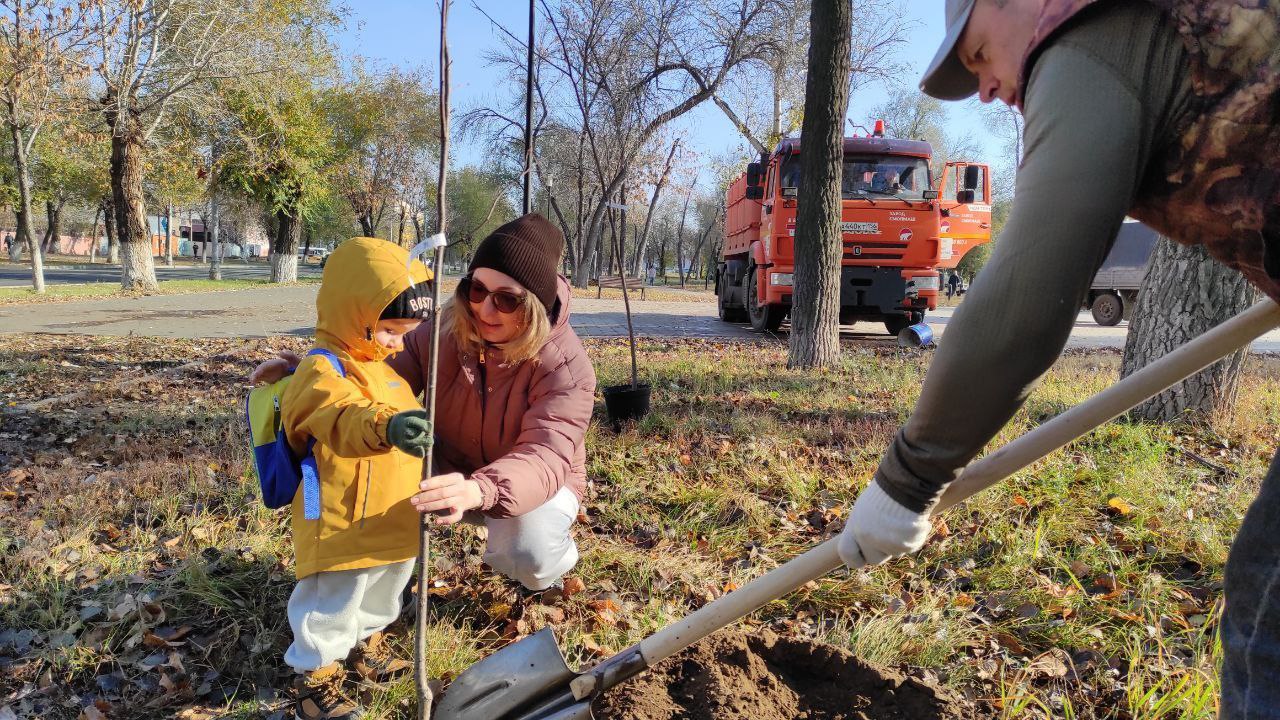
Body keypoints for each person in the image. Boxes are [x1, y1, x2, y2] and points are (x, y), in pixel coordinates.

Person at [834, 1, 1280, 716]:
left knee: (1269, 619)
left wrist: (908, 478)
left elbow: (1026, 294)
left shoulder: (1085, 41)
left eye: (978, 54)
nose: (983, 88)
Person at [252, 214, 596, 596]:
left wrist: (480, 490)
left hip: (531, 484)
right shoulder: (446, 328)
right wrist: (314, 373)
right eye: (476, 289)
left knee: (524, 548)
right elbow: (376, 375)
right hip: (445, 466)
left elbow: (545, 455)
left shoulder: (567, 367)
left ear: (534, 305)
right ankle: (362, 581)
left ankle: (547, 572)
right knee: (366, 446)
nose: (484, 310)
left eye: (506, 300)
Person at [276, 236, 434, 720]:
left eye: (406, 331)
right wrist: (387, 427)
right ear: (352, 313)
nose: (398, 342)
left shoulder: (388, 371)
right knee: (334, 598)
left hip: (392, 517)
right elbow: (342, 417)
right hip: (341, 518)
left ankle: (368, 639)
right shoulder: (323, 371)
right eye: (389, 330)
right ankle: (316, 677)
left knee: (386, 586)